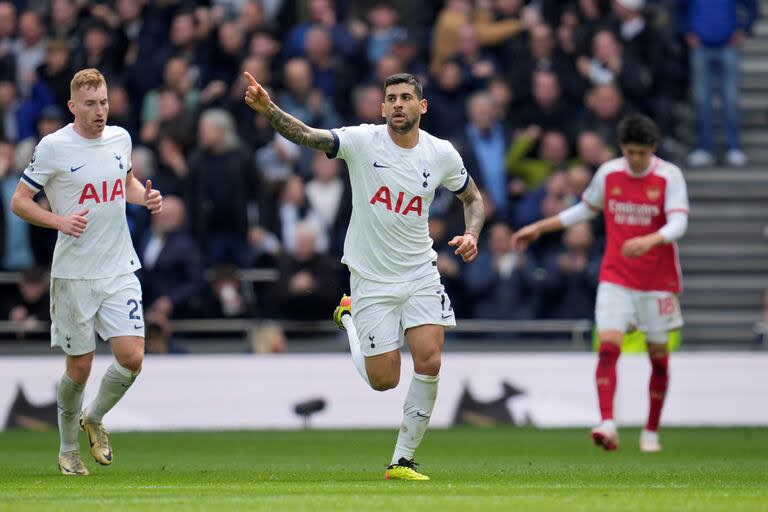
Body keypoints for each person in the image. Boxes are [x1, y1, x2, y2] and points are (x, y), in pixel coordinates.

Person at [244, 71, 485, 479]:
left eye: (406, 97)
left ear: (421, 106)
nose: (397, 104)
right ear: (382, 107)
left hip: (420, 272)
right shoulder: (361, 141)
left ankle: (401, 460)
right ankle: (350, 317)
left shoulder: (441, 153)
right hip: (371, 278)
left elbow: (472, 198)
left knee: (429, 361)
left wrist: (472, 233)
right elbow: (307, 135)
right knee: (384, 380)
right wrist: (269, 110)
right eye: (390, 98)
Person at [10, 68, 162, 475]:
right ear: (72, 106)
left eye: (105, 102)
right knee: (80, 367)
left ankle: (93, 418)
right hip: (74, 273)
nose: (100, 111)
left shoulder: (120, 138)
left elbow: (125, 184)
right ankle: (67, 450)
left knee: (132, 358)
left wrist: (143, 198)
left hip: (118, 266)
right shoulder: (54, 146)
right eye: (91, 104)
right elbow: (20, 201)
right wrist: (59, 221)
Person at [511, 114, 688, 453]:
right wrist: (540, 227)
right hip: (616, 275)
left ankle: (651, 431)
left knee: (659, 358)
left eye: (642, 153)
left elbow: (678, 223)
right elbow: (584, 210)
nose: (636, 159)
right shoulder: (609, 174)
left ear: (652, 148)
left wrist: (651, 240)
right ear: (622, 148)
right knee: (608, 348)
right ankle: (607, 423)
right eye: (631, 152)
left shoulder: (669, 176)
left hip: (656, 280)